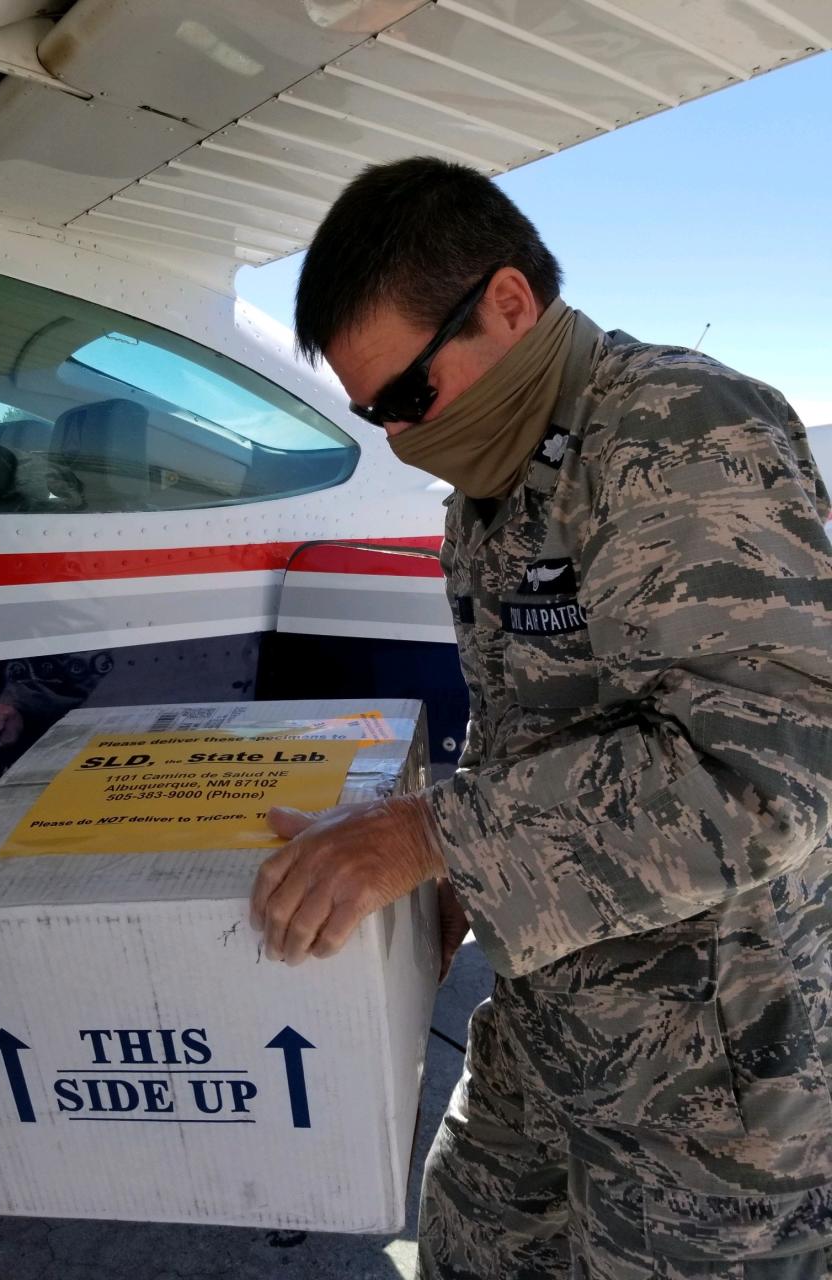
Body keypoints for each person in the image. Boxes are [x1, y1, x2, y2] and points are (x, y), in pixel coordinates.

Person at [250, 157, 832, 1276]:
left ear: (509, 302)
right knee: (469, 1244)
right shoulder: (499, 479)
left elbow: (767, 774)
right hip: (550, 1018)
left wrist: (432, 837)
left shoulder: (676, 434)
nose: (398, 438)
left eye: (410, 397)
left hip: (710, 1089)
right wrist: (463, 872)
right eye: (373, 414)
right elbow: (548, 726)